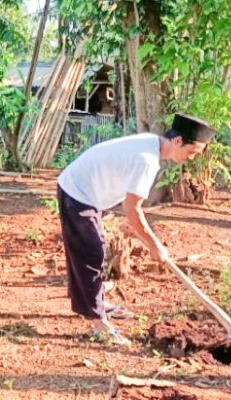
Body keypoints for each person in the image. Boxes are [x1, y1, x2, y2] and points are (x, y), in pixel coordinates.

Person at [57, 113, 216, 345]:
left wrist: (134, 224)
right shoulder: (147, 159)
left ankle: (95, 303)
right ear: (178, 141)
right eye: (192, 153)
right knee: (91, 251)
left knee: (89, 250)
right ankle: (99, 323)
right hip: (77, 191)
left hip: (85, 191)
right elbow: (132, 208)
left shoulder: (151, 144)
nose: (191, 159)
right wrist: (154, 245)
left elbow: (127, 199)